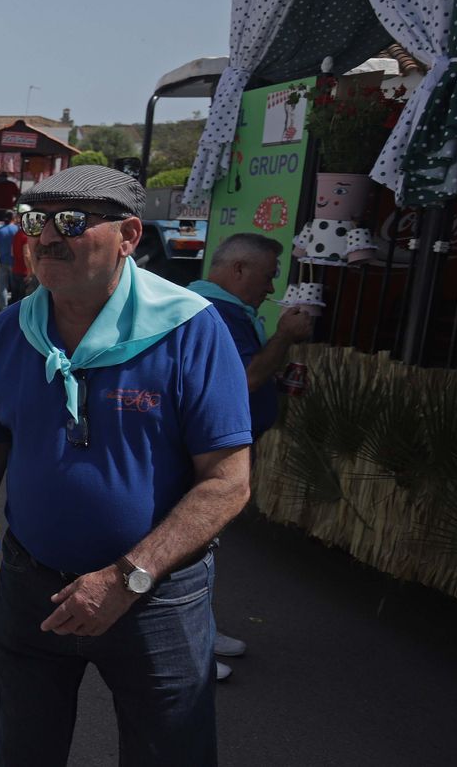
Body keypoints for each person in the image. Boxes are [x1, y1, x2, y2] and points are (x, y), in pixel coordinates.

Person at [0, 164, 253, 767]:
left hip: (152, 598)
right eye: (36, 222)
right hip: (32, 588)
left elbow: (227, 483)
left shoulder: (188, 329)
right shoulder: (11, 330)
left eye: (73, 222)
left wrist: (126, 577)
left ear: (129, 235)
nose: (47, 238)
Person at [189, 233, 317, 680]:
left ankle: (199, 629)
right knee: (187, 545)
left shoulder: (225, 310)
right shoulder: (215, 312)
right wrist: (283, 336)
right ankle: (186, 648)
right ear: (239, 270)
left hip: (217, 450)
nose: (272, 286)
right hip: (205, 455)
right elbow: (242, 381)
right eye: (267, 275)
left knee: (201, 546)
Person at [0, 210, 21, 312]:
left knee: (2, 286)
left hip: (2, 261)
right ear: (14, 218)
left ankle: (3, 309)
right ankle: (14, 309)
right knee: (15, 287)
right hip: (15, 262)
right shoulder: (17, 229)